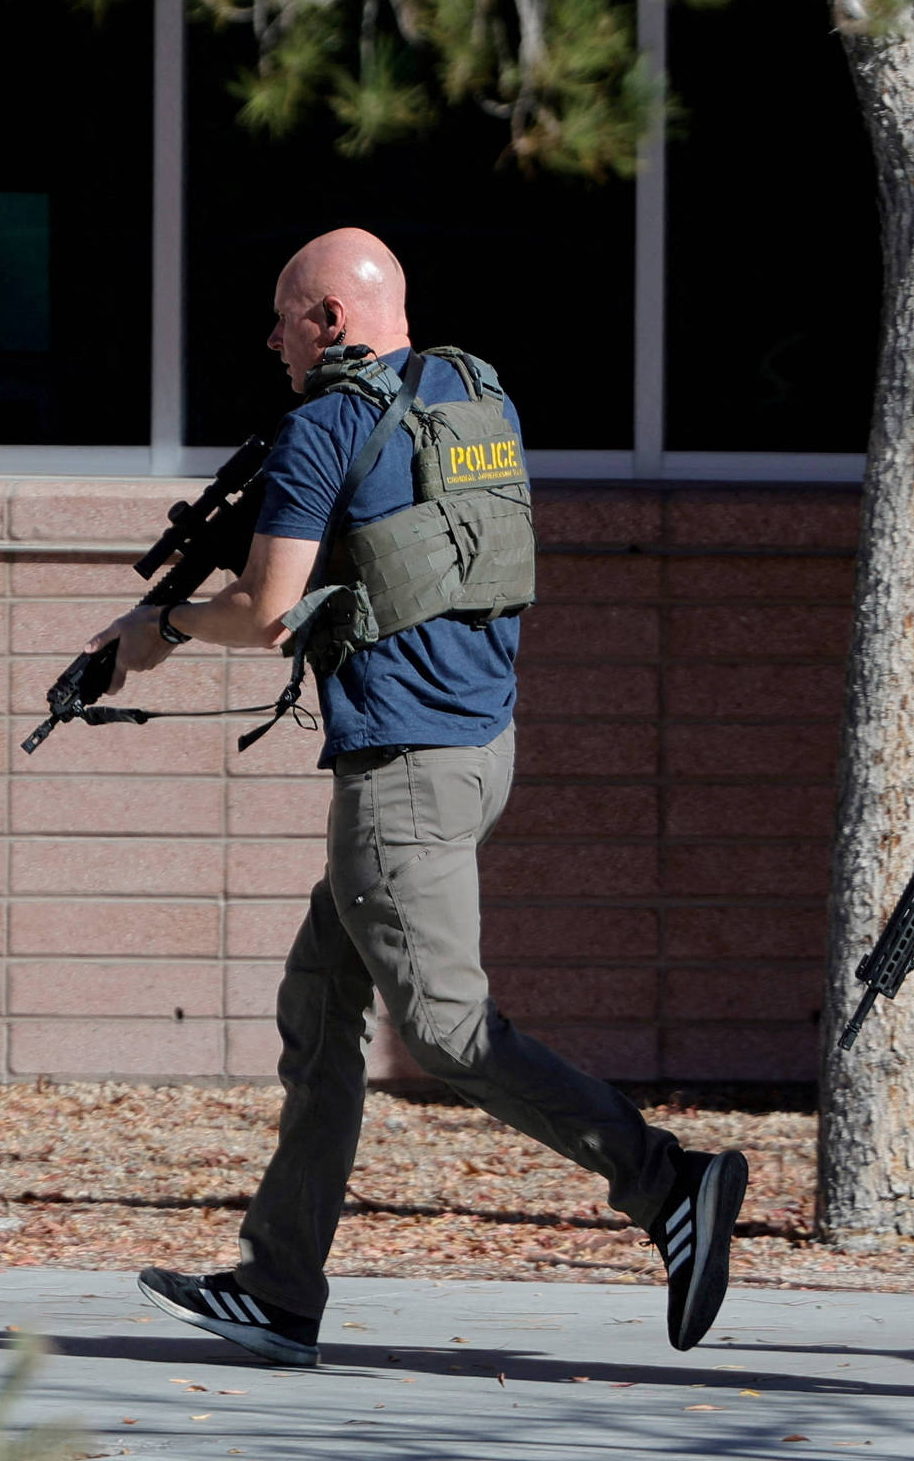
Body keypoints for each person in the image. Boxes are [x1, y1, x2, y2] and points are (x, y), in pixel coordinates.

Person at [82, 227, 748, 1369]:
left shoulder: (324, 425)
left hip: (402, 779)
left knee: (444, 1028)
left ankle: (667, 1181)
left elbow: (269, 610)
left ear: (330, 320)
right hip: (482, 749)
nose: (274, 340)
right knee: (317, 1002)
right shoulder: (471, 394)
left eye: (287, 317)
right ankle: (280, 1285)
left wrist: (159, 631)